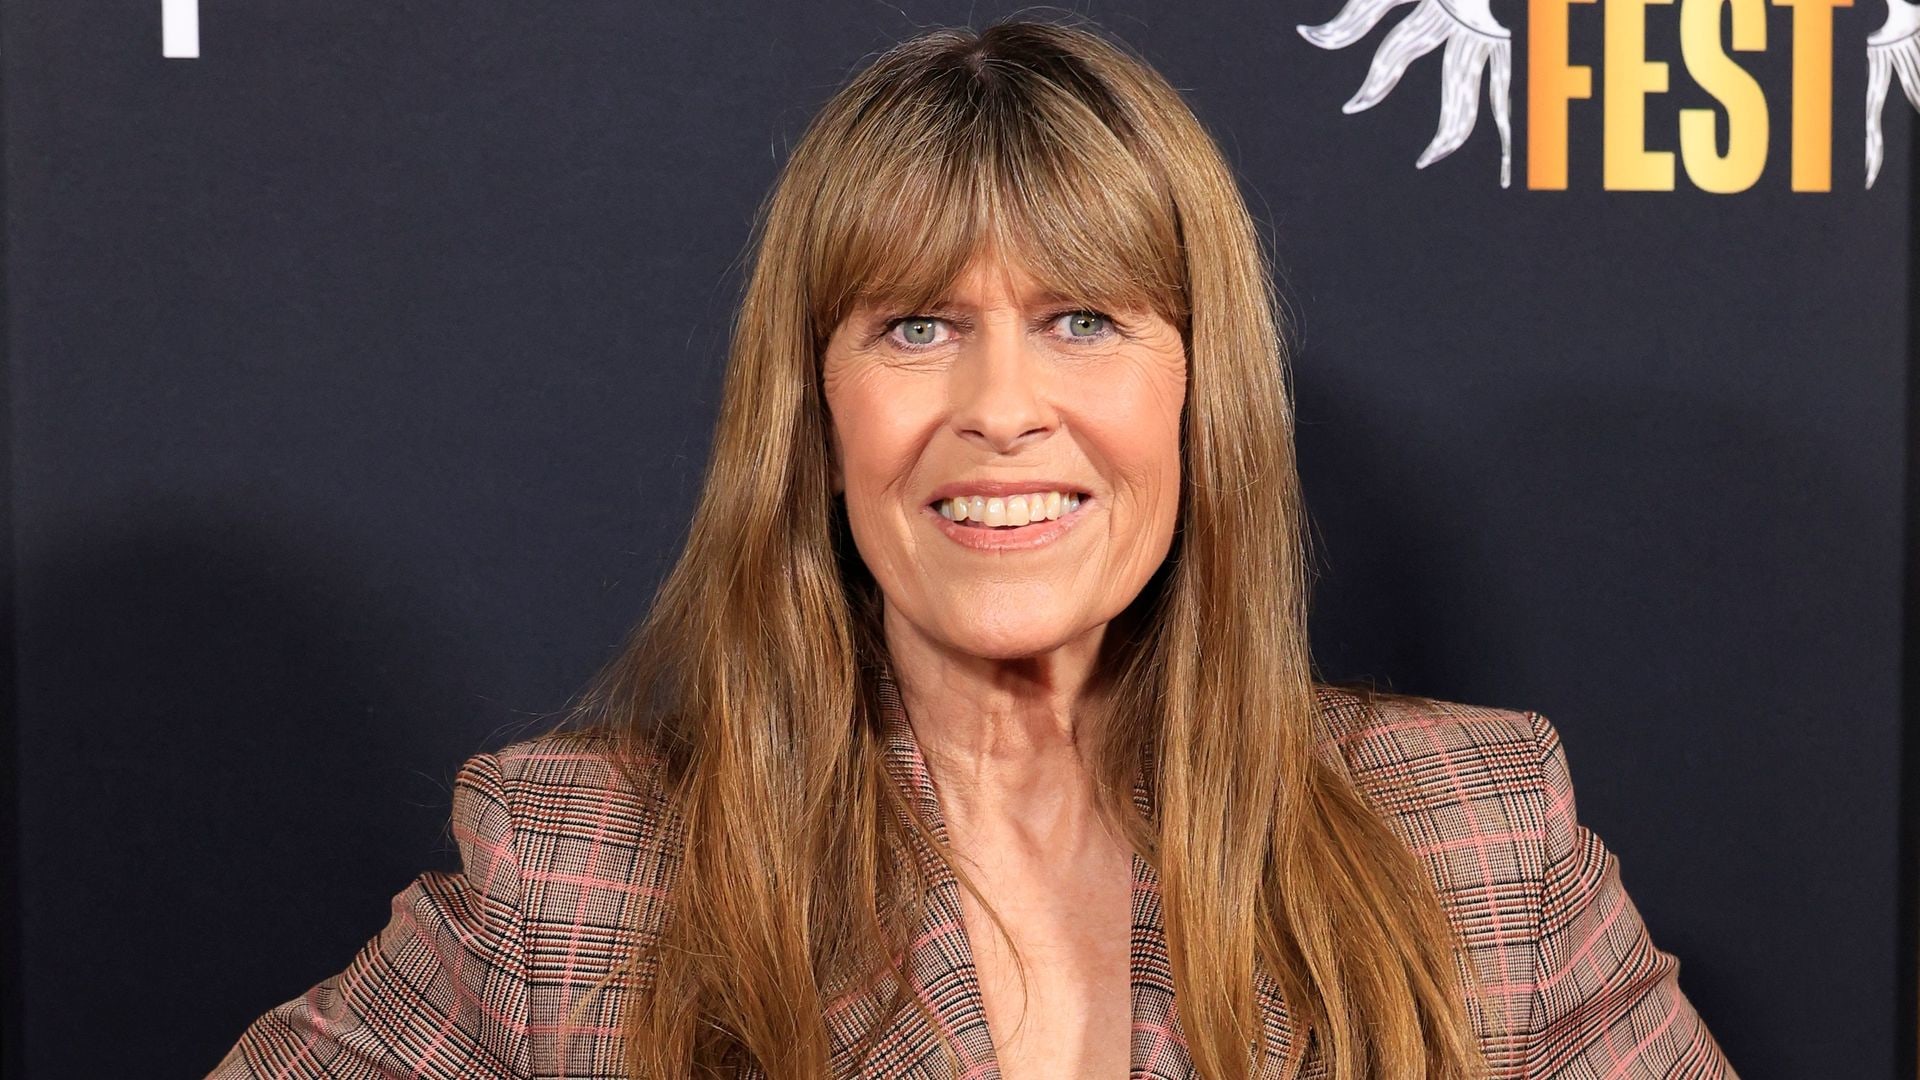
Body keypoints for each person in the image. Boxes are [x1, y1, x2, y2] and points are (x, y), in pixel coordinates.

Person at [211, 17, 1736, 1080]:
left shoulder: (1471, 841)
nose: (1002, 410)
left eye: (1083, 320)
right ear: (816, 408)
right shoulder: (581, 872)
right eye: (917, 328)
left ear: (1203, 386)